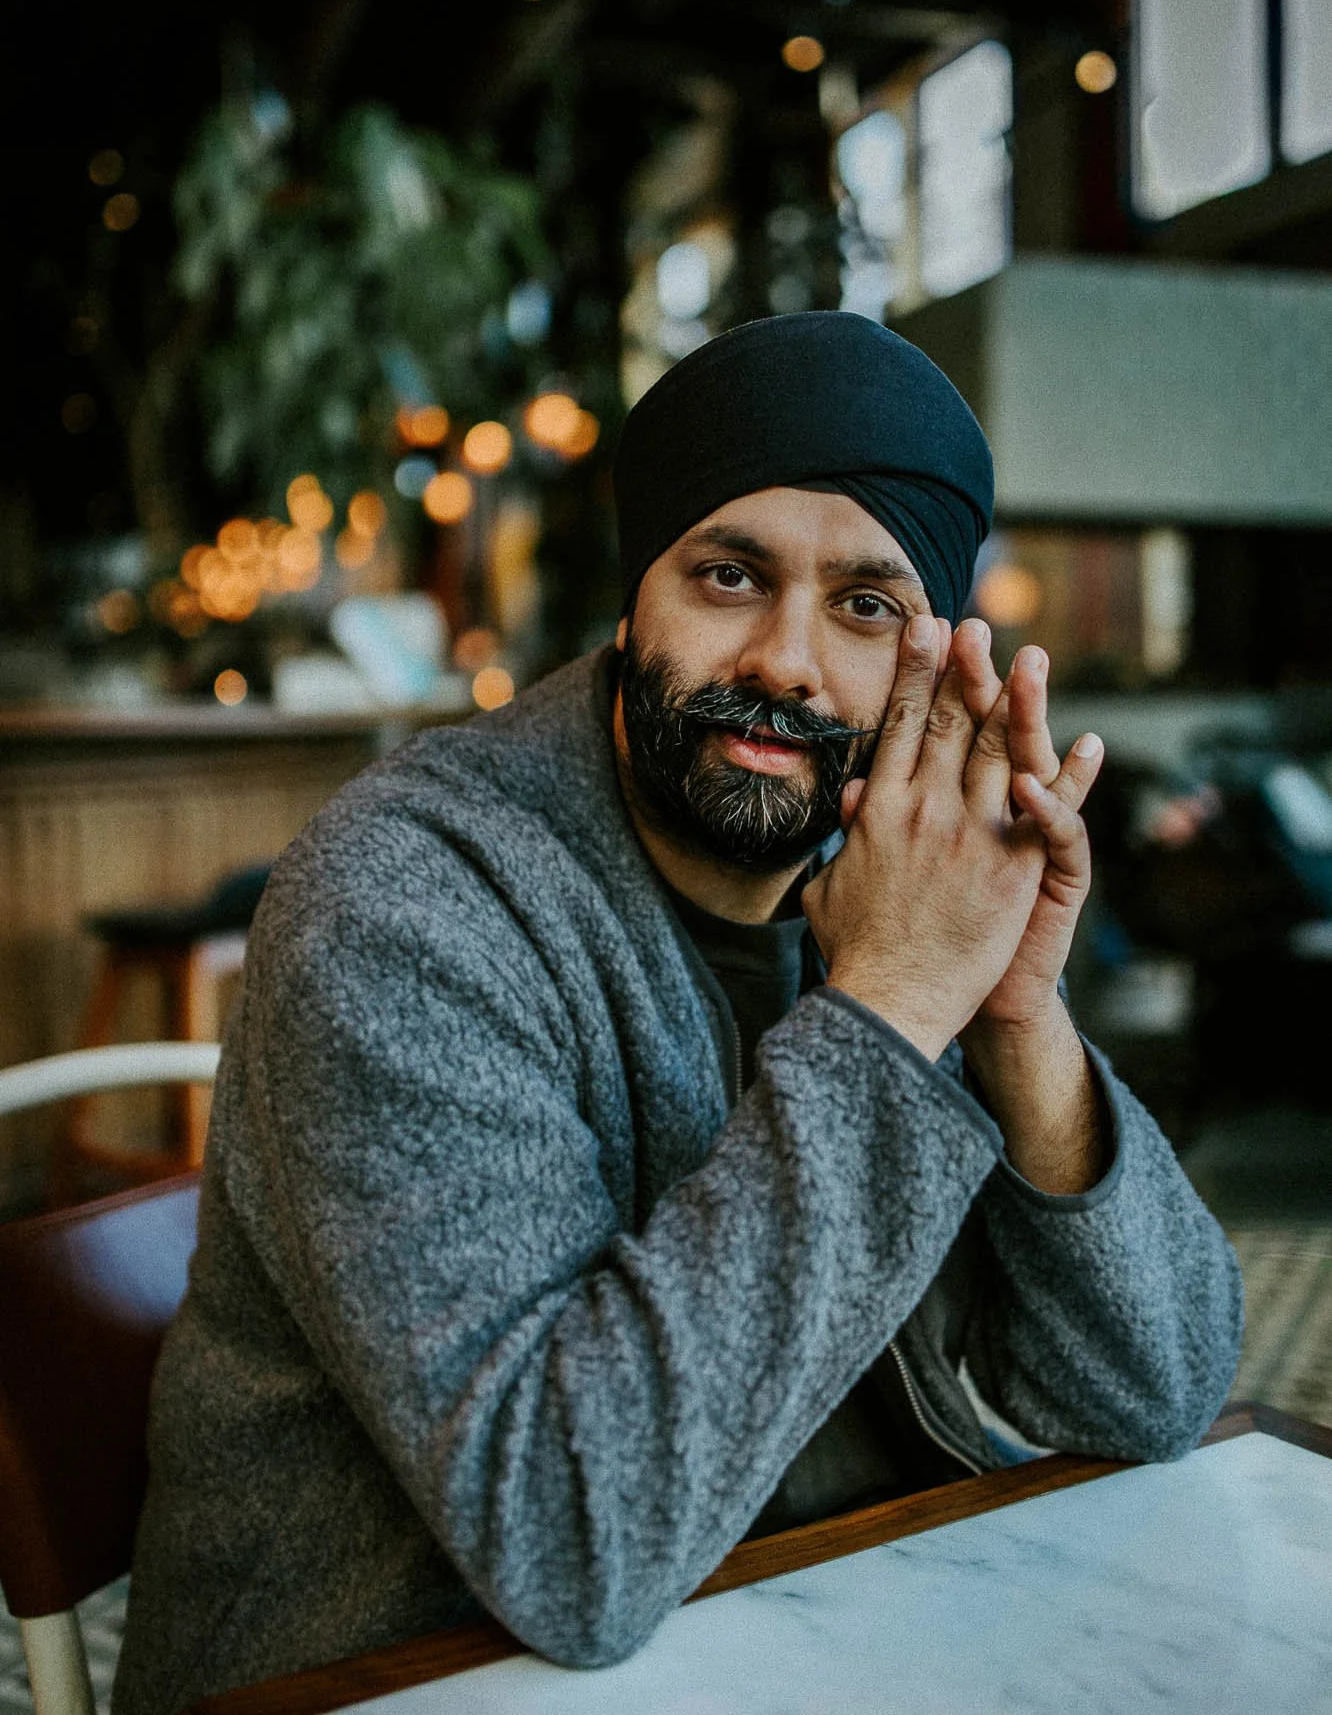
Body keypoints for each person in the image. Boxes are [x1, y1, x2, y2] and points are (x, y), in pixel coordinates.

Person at [113, 312, 1242, 1713]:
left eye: (868, 606)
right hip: (389, 1675)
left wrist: (1015, 1015)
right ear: (635, 593)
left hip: (799, 1623)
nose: (786, 660)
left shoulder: (891, 886)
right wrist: (890, 1010)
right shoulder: (404, 898)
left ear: (935, 664)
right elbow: (569, 1538)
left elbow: (1163, 1383)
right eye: (730, 574)